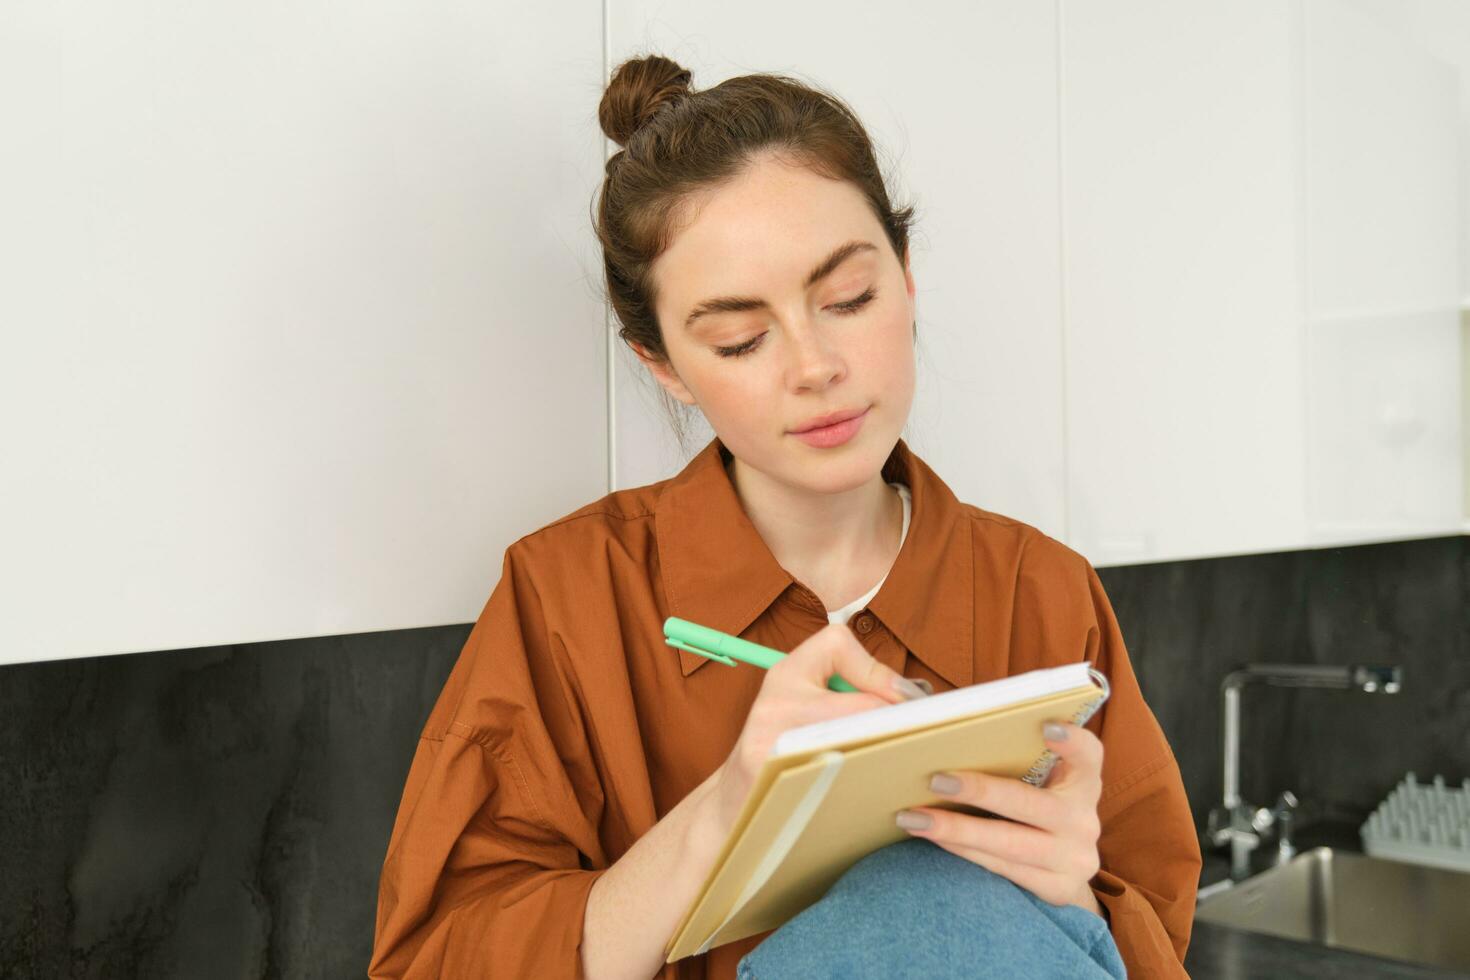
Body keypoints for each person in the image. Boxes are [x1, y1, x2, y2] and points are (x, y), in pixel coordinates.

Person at [368, 54, 1201, 980]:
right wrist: (723, 813)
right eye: (741, 338)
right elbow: (439, 960)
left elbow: (1152, 930)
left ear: (907, 272)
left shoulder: (1041, 590)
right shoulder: (569, 597)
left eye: (849, 298)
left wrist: (1067, 892)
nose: (814, 366)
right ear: (665, 365)